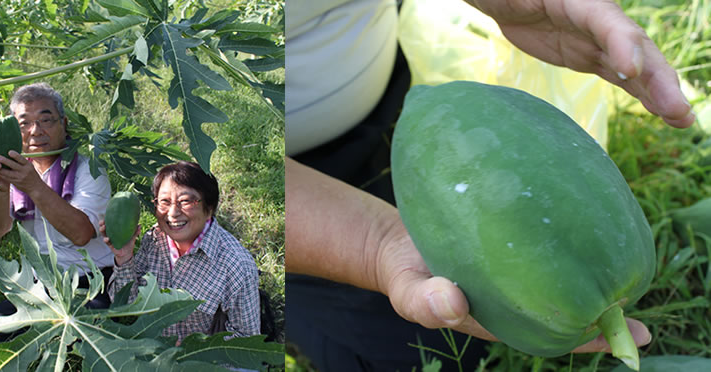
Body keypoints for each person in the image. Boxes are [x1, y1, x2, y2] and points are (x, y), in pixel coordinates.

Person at [286, 0, 696, 371]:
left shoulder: (628, 268)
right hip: (286, 182)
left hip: (385, 97)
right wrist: (374, 244)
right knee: (419, 355)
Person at [0, 82, 115, 313]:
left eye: (46, 120)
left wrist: (34, 186)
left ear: (64, 123)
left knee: (83, 332)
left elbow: (81, 234)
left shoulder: (89, 171)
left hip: (92, 281)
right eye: (24, 123)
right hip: (41, 284)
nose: (35, 131)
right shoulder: (18, 171)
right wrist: (1, 190)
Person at [101, 161, 261, 342]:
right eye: (164, 202)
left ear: (209, 208)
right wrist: (124, 257)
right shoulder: (153, 240)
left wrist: (191, 349)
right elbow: (125, 305)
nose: (172, 213)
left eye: (185, 201)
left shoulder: (237, 266)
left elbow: (247, 339)